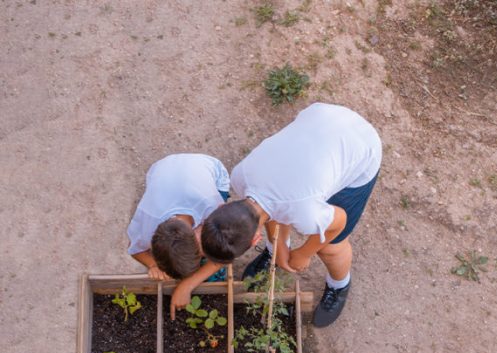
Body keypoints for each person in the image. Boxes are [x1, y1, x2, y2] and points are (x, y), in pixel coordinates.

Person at [199, 103, 382, 327]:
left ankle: (339, 285)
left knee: (330, 247)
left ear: (255, 239)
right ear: (221, 209)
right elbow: (270, 207)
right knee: (278, 217)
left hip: (361, 147)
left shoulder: (305, 213)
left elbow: (340, 221)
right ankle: (272, 252)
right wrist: (280, 247)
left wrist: (305, 253)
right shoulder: (240, 176)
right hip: (320, 118)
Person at [126, 153, 231, 318]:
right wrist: (153, 265)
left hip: (207, 168)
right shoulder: (147, 220)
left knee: (217, 254)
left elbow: (224, 256)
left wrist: (187, 285)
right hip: (162, 168)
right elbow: (135, 250)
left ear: (200, 235)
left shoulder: (213, 211)